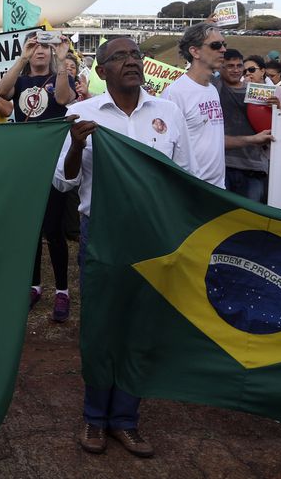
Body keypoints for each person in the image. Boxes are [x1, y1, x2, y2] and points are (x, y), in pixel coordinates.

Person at [54, 37, 193, 460]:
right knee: (102, 326)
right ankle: (95, 418)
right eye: (119, 57)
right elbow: (63, 181)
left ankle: (126, 421)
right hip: (104, 232)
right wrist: (78, 144)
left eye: (135, 55)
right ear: (101, 70)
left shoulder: (168, 113)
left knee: (140, 327)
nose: (131, 62)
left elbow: (182, 175)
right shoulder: (82, 114)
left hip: (153, 235)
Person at [0, 30, 77, 321]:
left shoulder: (61, 76)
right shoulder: (20, 79)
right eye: (36, 45)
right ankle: (33, 285)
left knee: (54, 229)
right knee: (30, 229)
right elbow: (1, 93)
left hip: (52, 161)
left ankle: (62, 290)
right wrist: (22, 58)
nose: (41, 50)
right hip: (26, 162)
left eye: (47, 45)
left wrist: (62, 58)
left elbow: (63, 98)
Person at [160, 23, 229, 188]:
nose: (223, 50)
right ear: (195, 51)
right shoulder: (174, 93)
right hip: (191, 189)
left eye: (224, 44)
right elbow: (166, 148)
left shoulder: (212, 89)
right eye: (216, 45)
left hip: (217, 187)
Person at [217, 50, 272, 202]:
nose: (236, 70)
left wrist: (278, 107)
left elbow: (280, 120)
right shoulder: (213, 89)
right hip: (222, 166)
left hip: (253, 167)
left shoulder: (258, 91)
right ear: (220, 67)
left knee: (250, 219)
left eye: (239, 66)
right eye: (230, 66)